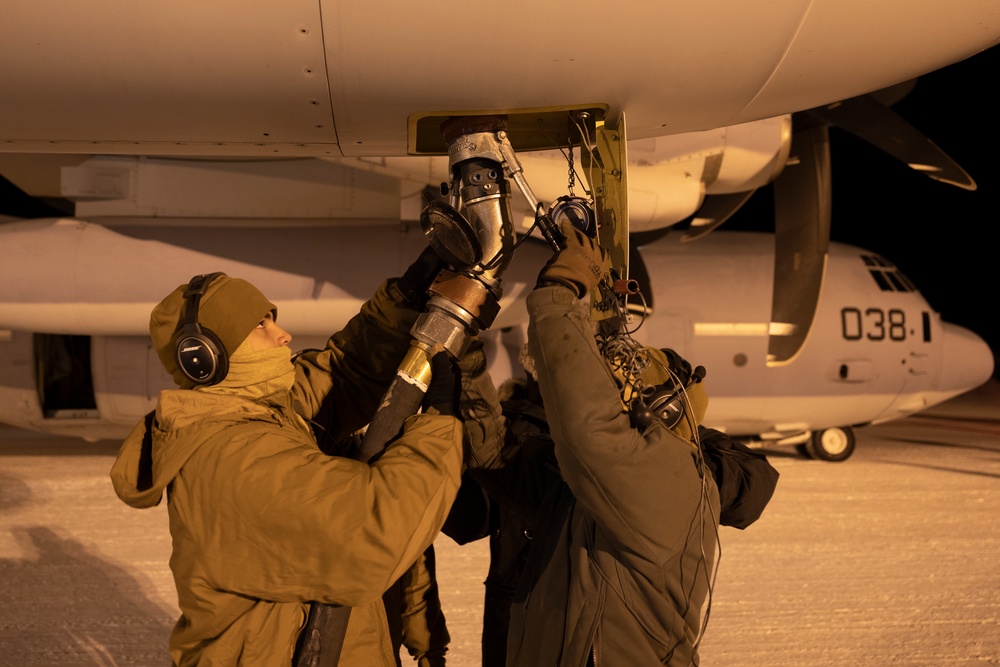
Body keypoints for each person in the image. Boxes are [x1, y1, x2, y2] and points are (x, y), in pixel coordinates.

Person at [109, 256, 464, 666]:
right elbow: (374, 526)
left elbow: (344, 374)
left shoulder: (265, 410)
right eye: (260, 325)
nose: (283, 335)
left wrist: (407, 295)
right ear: (205, 357)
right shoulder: (234, 457)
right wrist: (440, 423)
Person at [458, 222, 722, 665]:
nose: (608, 381)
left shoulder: (669, 476)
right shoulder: (592, 486)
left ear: (661, 411)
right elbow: (496, 457)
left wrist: (558, 294)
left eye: (621, 377)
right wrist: (463, 351)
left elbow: (589, 427)